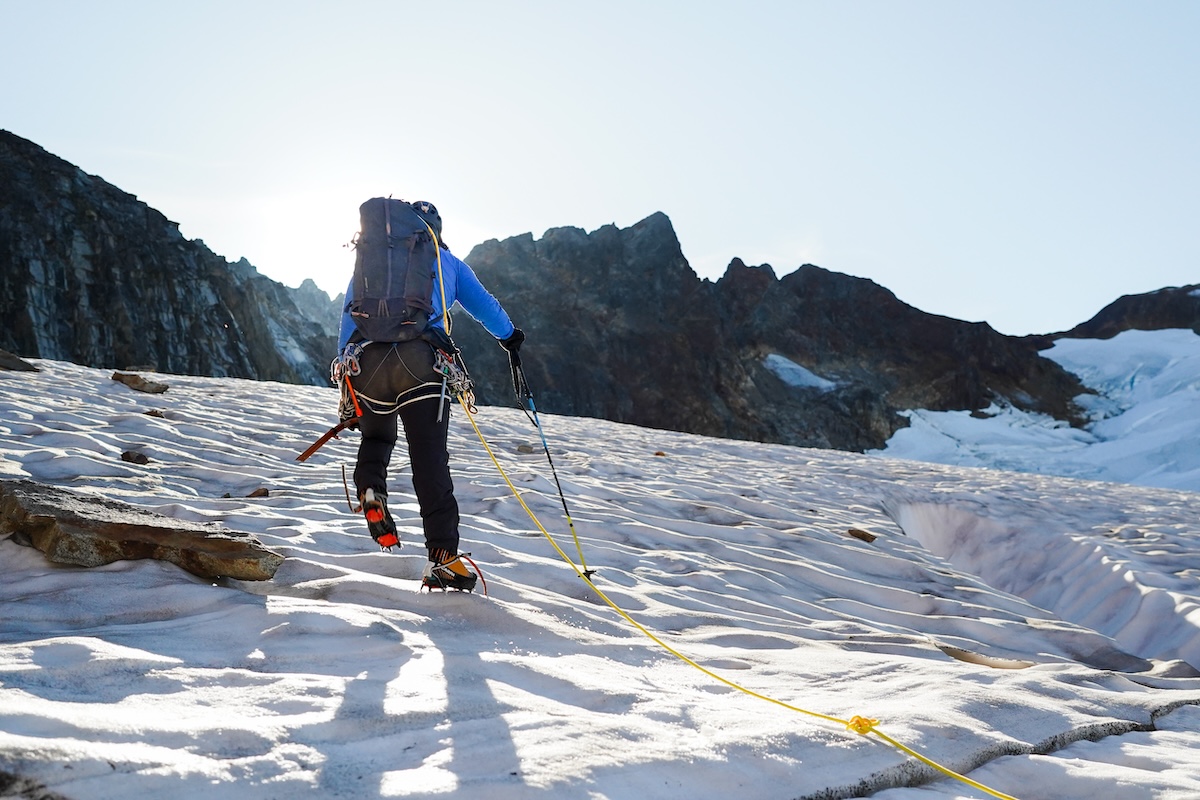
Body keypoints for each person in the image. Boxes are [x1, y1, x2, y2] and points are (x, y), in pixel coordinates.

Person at [332, 200, 524, 591]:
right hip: (422, 363)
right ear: (435, 229)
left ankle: (372, 489)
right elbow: (485, 306)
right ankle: (443, 560)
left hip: (365, 362)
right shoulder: (445, 259)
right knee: (429, 460)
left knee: (376, 437)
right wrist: (510, 337)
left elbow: (348, 311)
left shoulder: (372, 256)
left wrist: (344, 362)